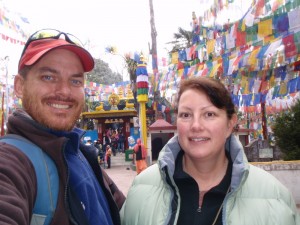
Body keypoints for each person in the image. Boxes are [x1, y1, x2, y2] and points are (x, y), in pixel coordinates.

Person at [121, 77, 300, 225]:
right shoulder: (140, 190)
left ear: (230, 124)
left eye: (209, 114)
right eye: (186, 115)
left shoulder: (274, 198)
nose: (196, 125)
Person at [0, 29, 125, 225]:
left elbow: (127, 209)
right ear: (19, 86)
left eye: (75, 81)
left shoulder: (80, 153)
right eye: (48, 77)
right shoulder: (11, 162)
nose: (64, 91)